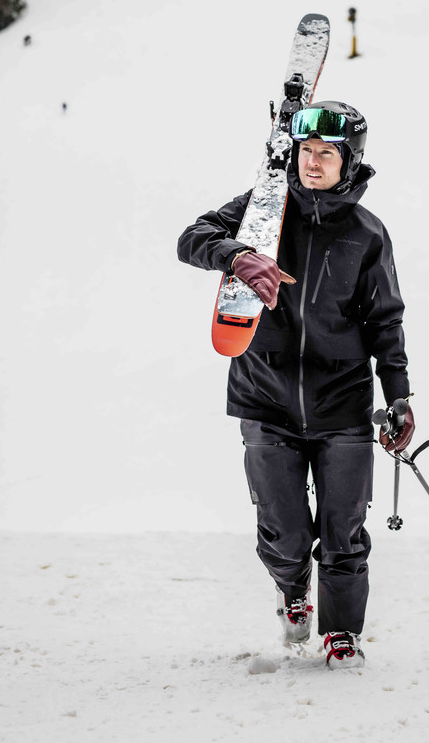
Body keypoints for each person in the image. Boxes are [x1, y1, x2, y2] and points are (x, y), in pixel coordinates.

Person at [177, 101, 413, 670]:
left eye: (327, 153)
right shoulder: (261, 209)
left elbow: (385, 321)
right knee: (282, 534)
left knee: (343, 532)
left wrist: (399, 396)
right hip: (265, 396)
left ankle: (341, 633)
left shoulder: (366, 233)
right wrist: (237, 255)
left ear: (349, 161)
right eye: (306, 150)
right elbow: (191, 238)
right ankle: (292, 590)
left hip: (344, 402)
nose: (313, 162)